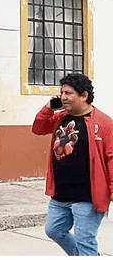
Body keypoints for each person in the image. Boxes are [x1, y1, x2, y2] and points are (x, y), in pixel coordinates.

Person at [32, 73, 113, 256]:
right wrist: (48, 107)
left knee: (85, 240)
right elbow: (38, 128)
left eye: (68, 93)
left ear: (84, 96)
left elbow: (111, 157)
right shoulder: (61, 117)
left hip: (87, 196)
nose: (63, 97)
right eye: (61, 92)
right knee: (54, 230)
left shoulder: (104, 123)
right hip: (60, 194)